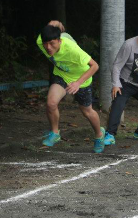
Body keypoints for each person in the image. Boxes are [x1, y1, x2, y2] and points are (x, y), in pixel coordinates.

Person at [36, 21, 105, 153]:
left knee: (87, 112)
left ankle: (99, 135)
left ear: (60, 41)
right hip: (61, 75)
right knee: (51, 103)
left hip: (81, 79)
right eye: (46, 43)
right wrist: (53, 23)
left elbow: (95, 66)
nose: (48, 47)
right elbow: (49, 29)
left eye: (52, 44)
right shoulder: (40, 41)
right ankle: (55, 133)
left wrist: (78, 83)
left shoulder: (73, 50)